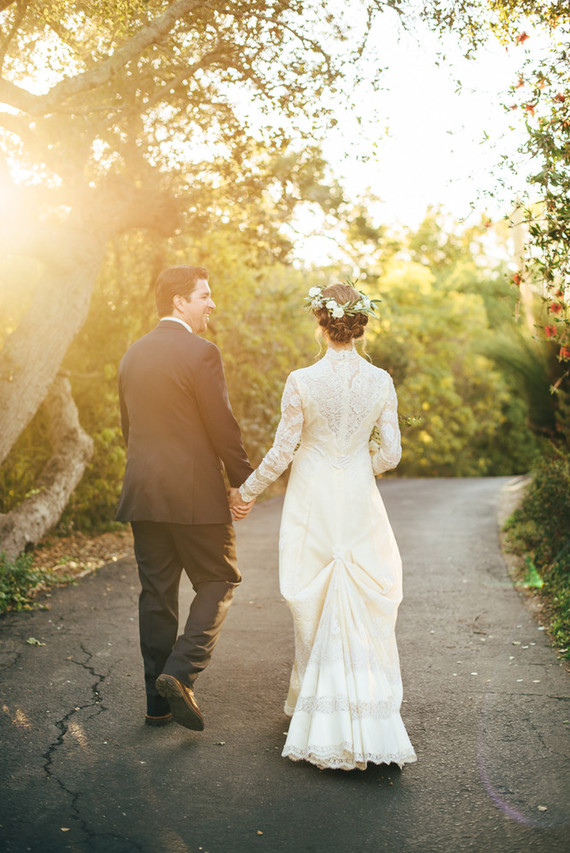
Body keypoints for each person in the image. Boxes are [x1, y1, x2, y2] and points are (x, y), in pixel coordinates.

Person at [237, 282, 417, 771]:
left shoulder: (301, 380)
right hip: (358, 497)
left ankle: (309, 704)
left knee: (311, 595)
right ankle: (354, 702)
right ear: (360, 325)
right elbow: (392, 454)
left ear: (321, 323)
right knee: (360, 591)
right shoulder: (381, 380)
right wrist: (361, 464)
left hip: (312, 497)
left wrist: (246, 492)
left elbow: (283, 451)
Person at [116, 265, 254, 730]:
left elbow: (127, 430)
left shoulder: (132, 355)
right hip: (195, 496)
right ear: (180, 301)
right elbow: (222, 425)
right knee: (219, 578)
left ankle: (156, 706)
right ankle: (180, 673)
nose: (211, 304)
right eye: (204, 296)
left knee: (157, 595)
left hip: (143, 493)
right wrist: (243, 481)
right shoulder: (202, 353)